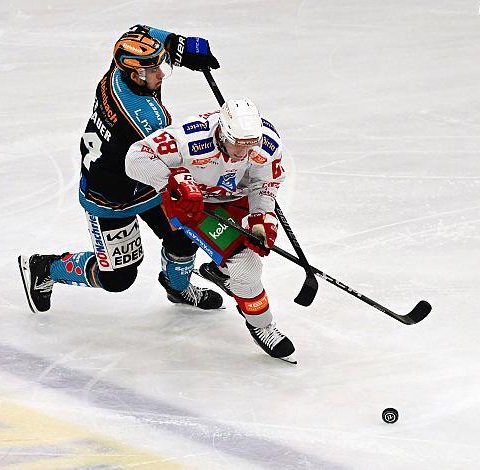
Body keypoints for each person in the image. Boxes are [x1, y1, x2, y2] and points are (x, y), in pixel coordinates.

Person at [18, 24, 223, 314]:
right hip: (111, 195)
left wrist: (179, 45)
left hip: (142, 178)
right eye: (153, 70)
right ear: (135, 73)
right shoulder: (145, 118)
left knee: (185, 236)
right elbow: (175, 159)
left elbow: (140, 31)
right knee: (118, 279)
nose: (161, 74)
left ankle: (176, 287)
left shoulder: (119, 70)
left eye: (160, 66)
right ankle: (46, 268)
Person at [123, 98, 296, 363]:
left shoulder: (266, 142)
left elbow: (265, 183)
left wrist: (260, 218)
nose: (243, 152)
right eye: (237, 144)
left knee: (253, 252)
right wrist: (175, 181)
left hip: (234, 198)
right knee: (247, 267)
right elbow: (135, 158)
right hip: (196, 205)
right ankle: (261, 324)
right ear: (222, 132)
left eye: (249, 145)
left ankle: (222, 271)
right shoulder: (190, 137)